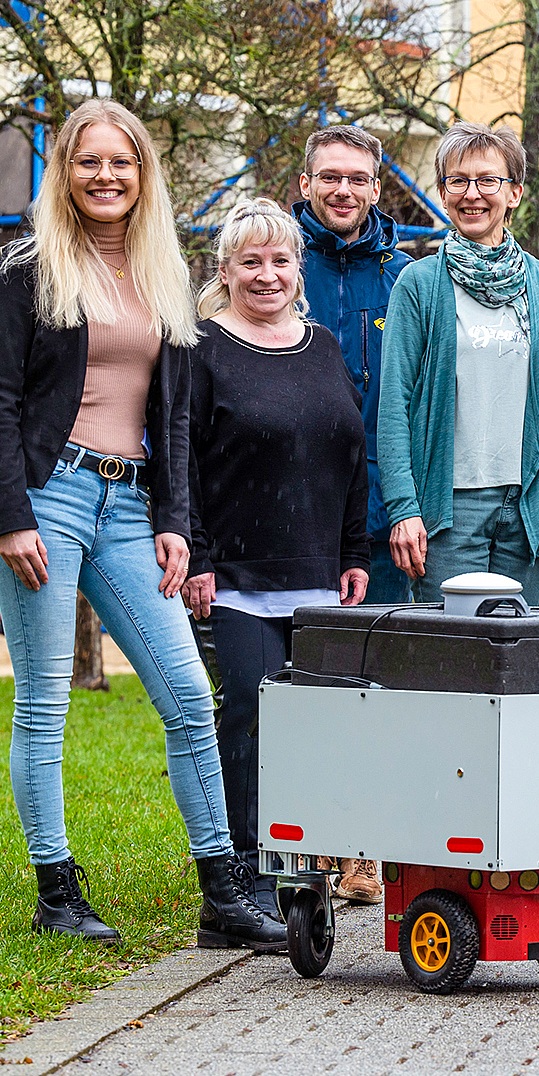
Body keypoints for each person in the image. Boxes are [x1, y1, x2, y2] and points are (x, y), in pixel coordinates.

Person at [0, 98, 285, 952]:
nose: (106, 176)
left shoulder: (162, 274)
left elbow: (176, 418)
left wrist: (174, 520)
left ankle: (224, 893)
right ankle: (55, 888)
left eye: (122, 162)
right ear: (65, 172)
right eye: (89, 162)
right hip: (50, 498)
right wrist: (12, 516)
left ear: (142, 173)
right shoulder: (29, 271)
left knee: (189, 693)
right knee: (43, 704)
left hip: (131, 504)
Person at [181, 199, 371, 915]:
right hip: (233, 577)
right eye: (250, 261)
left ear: (299, 269)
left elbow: (351, 451)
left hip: (320, 574)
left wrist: (354, 549)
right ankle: (247, 869)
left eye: (280, 260)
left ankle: (304, 863)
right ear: (225, 271)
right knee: (249, 718)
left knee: (318, 724)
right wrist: (197, 554)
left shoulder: (321, 345)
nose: (267, 274)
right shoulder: (199, 347)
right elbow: (183, 460)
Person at [378, 121, 539, 609]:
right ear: (444, 193)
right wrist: (404, 509)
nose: (473, 194)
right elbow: (393, 408)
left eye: (487, 180)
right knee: (451, 663)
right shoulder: (419, 284)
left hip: (529, 508)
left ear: (513, 193)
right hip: (446, 513)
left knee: (514, 663)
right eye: (458, 180)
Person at [292, 124, 409, 905]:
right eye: (329, 177)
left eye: (357, 178)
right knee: (315, 682)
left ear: (376, 187)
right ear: (304, 184)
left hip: (382, 506)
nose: (343, 190)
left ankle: (370, 849)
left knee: (386, 679)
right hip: (296, 507)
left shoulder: (404, 277)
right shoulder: (276, 261)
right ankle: (313, 842)